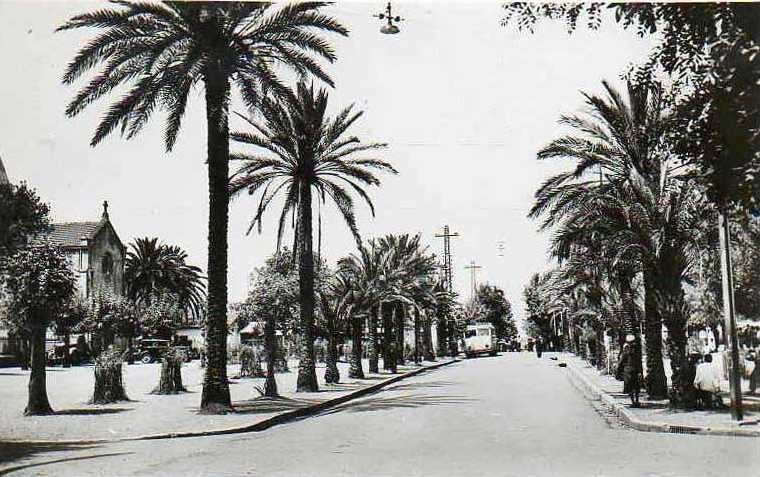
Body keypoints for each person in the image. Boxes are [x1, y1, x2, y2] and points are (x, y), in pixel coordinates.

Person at [616, 335, 642, 408]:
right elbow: (639, 361)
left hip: (628, 371)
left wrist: (618, 371)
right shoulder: (637, 350)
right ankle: (636, 401)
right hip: (635, 370)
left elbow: (621, 361)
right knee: (636, 387)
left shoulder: (626, 350)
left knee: (630, 387)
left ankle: (633, 401)